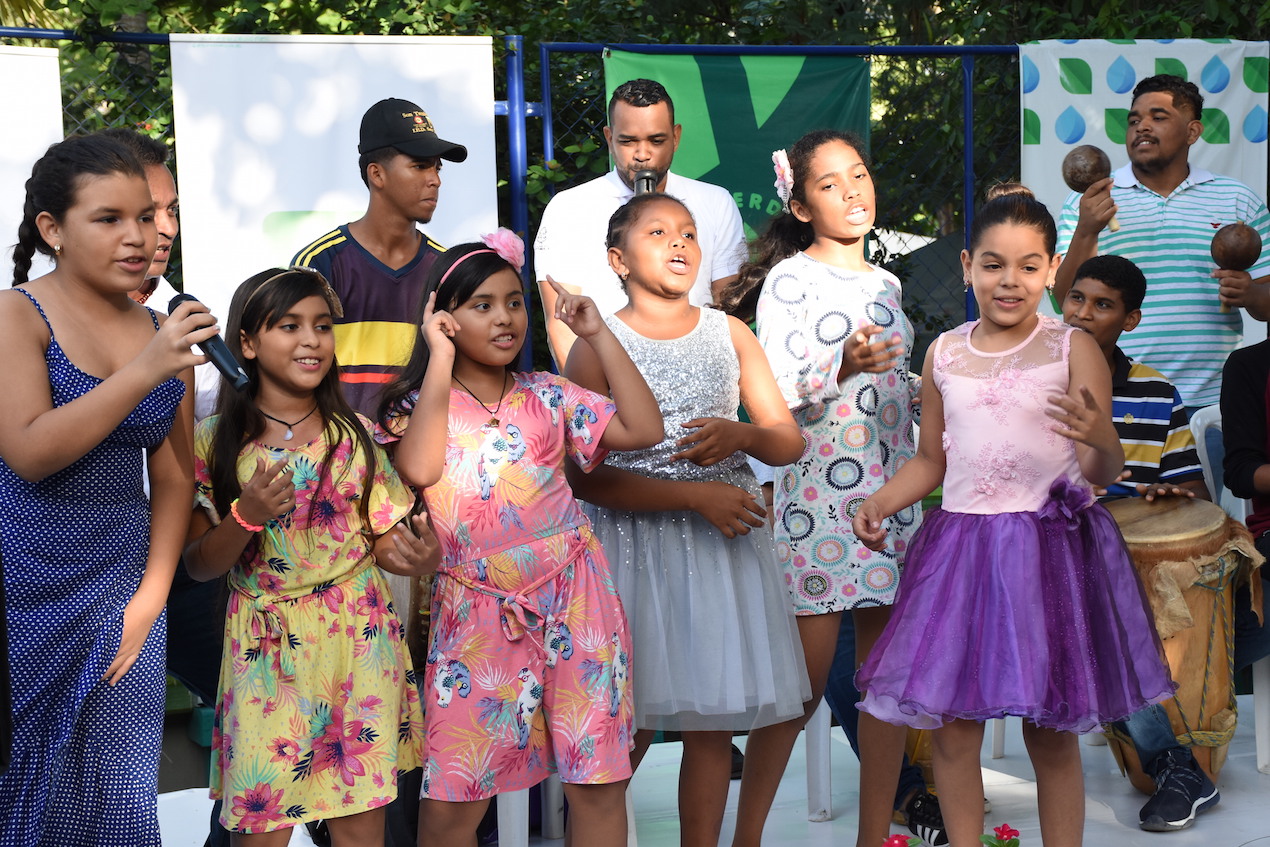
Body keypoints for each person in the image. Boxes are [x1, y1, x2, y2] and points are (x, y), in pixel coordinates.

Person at [852, 185, 1174, 847]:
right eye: (994, 263)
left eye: (1030, 265)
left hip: (1049, 554)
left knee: (1050, 731)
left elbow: (1101, 469)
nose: (1011, 280)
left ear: (1053, 270)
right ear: (967, 264)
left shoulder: (1071, 347)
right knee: (954, 726)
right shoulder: (943, 353)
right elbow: (931, 460)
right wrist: (881, 501)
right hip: (962, 551)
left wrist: (1104, 438)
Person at [377, 232, 662, 847]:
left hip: (578, 600)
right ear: (443, 319)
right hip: (478, 611)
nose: (505, 317)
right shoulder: (410, 406)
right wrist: (440, 363)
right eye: (482, 305)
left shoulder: (547, 393)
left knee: (598, 781)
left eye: (512, 301)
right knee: (455, 795)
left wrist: (598, 333)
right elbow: (420, 471)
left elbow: (644, 428)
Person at [562, 193, 810, 846]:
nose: (679, 241)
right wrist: (692, 497)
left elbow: (787, 439)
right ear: (617, 258)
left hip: (721, 557)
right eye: (658, 231)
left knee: (712, 726)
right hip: (629, 556)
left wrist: (743, 436)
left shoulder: (730, 332)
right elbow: (583, 475)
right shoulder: (597, 345)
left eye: (689, 232)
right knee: (623, 725)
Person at [0, 134, 216, 844]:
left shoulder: (163, 330)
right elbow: (30, 450)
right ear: (52, 229)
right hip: (26, 588)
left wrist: (149, 598)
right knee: (26, 785)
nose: (138, 235)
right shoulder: (16, 315)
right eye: (109, 218)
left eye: (146, 217)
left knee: (122, 793)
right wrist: (146, 368)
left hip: (126, 585)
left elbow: (177, 475)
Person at [711, 130, 921, 847]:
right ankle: (747, 839)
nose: (852, 192)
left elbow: (895, 387)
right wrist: (842, 362)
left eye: (858, 175)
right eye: (830, 184)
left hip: (893, 500)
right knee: (797, 692)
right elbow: (769, 391)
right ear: (800, 204)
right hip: (818, 508)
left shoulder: (888, 285)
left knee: (886, 686)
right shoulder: (789, 281)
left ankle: (874, 836)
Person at [182, 267, 434, 843]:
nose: (311, 340)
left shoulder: (356, 434)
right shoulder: (213, 441)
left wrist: (416, 557)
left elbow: (383, 543)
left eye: (322, 326)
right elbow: (199, 565)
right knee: (259, 824)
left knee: (359, 827)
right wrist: (246, 517)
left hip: (359, 644)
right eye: (289, 325)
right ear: (247, 342)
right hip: (266, 650)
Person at [1060, 253, 1223, 832]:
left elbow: (1197, 487)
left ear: (1129, 320)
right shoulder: (1032, 373)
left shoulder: (1155, 390)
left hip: (1115, 544)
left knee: (1096, 610)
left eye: (1103, 305)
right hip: (1045, 536)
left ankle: (1175, 764)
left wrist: (1168, 490)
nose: (1082, 314)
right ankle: (1177, 766)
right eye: (1076, 298)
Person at [1055, 73, 1270, 411]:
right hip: (1116, 388)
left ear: (1193, 131)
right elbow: (1061, 299)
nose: (1142, 127)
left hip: (1216, 397)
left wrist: (1252, 294)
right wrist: (1086, 230)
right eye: (1134, 120)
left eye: (1158, 117)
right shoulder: (1090, 203)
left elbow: (1267, 303)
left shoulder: (1237, 200)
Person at [534, 78, 746, 367]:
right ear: (609, 138)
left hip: (698, 375)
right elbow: (561, 326)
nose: (643, 154)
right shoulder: (569, 208)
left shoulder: (715, 202)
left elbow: (729, 311)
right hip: (603, 387)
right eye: (628, 141)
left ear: (676, 137)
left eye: (656, 141)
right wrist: (592, 403)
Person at [292, 97, 467, 419]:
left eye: (437, 168)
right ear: (377, 174)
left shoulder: (447, 269)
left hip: (425, 451)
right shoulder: (319, 263)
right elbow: (291, 371)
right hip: (338, 451)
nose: (435, 179)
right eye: (420, 165)